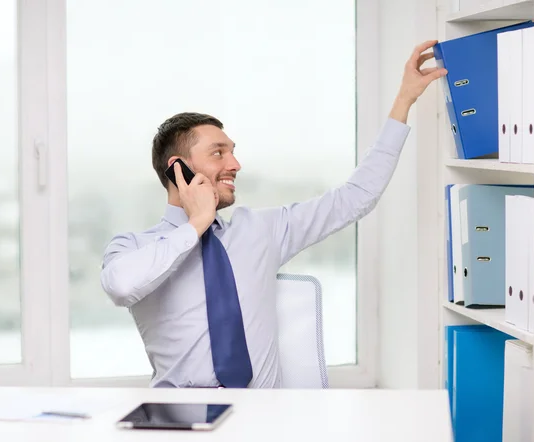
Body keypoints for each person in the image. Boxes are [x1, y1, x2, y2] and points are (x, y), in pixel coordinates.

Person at [100, 40, 447, 388]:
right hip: (179, 419)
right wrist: (195, 224)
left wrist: (404, 100)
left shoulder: (261, 229)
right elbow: (121, 286)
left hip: (265, 417)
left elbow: (356, 197)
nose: (235, 164)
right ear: (179, 169)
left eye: (232, 152)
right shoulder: (134, 248)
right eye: (218, 153)